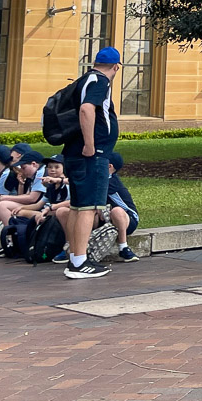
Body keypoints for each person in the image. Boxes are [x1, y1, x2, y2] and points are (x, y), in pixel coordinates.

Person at [62, 46, 122, 279]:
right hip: (92, 154)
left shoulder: (83, 79)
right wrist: (90, 144)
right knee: (88, 207)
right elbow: (87, 110)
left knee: (77, 206)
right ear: (116, 67)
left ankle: (76, 256)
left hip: (74, 154)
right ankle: (79, 263)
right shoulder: (101, 82)